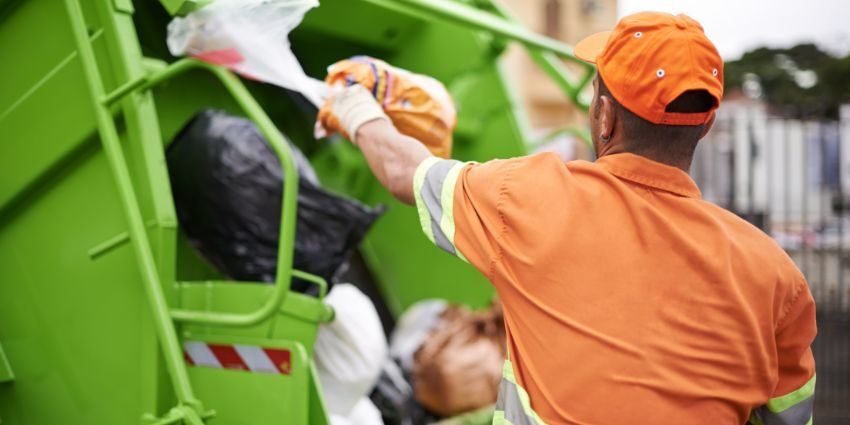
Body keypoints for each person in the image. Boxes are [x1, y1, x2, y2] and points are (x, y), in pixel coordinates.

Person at [317, 12, 817, 425]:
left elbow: (405, 171)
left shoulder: (528, 198)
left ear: (605, 117)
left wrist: (356, 106)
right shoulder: (776, 278)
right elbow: (790, 415)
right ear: (705, 124)